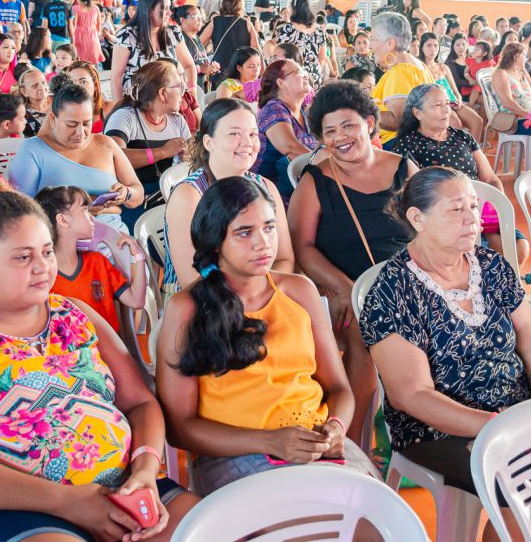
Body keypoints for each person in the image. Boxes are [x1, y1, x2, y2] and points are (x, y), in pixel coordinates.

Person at [0, 182, 197, 541]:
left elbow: (140, 402)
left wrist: (144, 470)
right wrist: (68, 502)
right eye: (23, 257)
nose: (42, 267)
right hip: (8, 506)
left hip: (119, 485)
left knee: (211, 527)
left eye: (47, 252)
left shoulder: (75, 314)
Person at [360, 167, 531, 504]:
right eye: (457, 209)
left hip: (516, 409)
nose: (473, 219)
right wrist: (500, 427)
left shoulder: (492, 267)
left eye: (473, 206)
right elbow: (412, 395)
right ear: (417, 218)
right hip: (439, 429)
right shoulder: (393, 291)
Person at [157, 176, 376, 495]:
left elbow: (339, 388)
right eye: (245, 232)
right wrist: (270, 441)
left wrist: (335, 427)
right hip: (233, 453)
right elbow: (179, 427)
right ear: (215, 241)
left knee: (374, 510)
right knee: (305, 513)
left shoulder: (299, 291)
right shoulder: (188, 308)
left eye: (270, 228)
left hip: (314, 442)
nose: (263, 243)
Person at [288, 80, 414, 443]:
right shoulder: (315, 182)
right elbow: (302, 247)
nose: (340, 137)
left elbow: (428, 227)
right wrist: (346, 288)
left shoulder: (404, 169)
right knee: (364, 329)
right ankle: (353, 441)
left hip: (406, 283)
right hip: (344, 291)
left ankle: (415, 429)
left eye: (348, 126)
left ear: (369, 123)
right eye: (330, 132)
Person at [392, 83, 529, 268]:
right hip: (447, 216)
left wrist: (496, 208)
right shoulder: (407, 145)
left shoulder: (463, 137)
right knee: (482, 255)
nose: (446, 110)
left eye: (447, 104)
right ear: (418, 113)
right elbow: (421, 194)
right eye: (437, 105)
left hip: (481, 208)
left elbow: (490, 179)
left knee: (519, 248)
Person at [165, 99, 296, 291]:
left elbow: (284, 259)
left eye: (253, 134)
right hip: (203, 300)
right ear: (209, 142)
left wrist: (261, 293)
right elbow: (192, 279)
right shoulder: (189, 195)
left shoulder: (265, 187)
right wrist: (252, 293)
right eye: (234, 134)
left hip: (261, 292)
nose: (247, 143)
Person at [8, 80, 142, 230]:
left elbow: (138, 193)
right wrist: (76, 211)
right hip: (59, 236)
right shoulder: (32, 149)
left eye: (86, 124)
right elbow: (20, 208)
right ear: (53, 119)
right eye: (71, 125)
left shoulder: (106, 144)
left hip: (115, 235)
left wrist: (126, 193)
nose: (80, 133)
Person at [35, 185, 148, 332]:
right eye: (85, 210)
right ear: (63, 220)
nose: (92, 217)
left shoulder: (98, 262)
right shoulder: (44, 277)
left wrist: (139, 256)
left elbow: (136, 301)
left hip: (109, 345)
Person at [105, 59, 192, 222]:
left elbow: (194, 159)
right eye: (179, 86)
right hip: (132, 201)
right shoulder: (125, 116)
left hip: (169, 196)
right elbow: (113, 157)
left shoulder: (177, 120)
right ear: (163, 93)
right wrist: (163, 152)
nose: (183, 92)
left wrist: (188, 155)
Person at [110, 0, 197, 97]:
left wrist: (191, 92)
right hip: (136, 102)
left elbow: (189, 66)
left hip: (170, 100)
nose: (169, 12)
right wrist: (119, 107)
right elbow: (116, 78)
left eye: (169, 8)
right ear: (149, 10)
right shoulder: (127, 36)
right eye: (165, 8)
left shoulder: (173, 33)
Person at [253, 59, 317, 199]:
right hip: (270, 193)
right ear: (281, 83)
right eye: (298, 72)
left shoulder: (304, 112)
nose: (305, 75)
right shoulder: (273, 108)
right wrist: (329, 165)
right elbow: (290, 148)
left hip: (302, 186)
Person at [367, 12, 433, 144]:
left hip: (396, 144)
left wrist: (362, 110)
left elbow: (397, 121)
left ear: (390, 43)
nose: (370, 46)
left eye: (374, 39)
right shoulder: (418, 65)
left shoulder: (399, 71)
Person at [200, 0, 258, 90]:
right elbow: (256, 51)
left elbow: (199, 44)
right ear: (240, 7)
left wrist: (203, 62)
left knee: (218, 97)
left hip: (218, 68)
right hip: (241, 70)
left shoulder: (215, 21)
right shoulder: (246, 23)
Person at [275, 0, 330, 89]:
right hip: (315, 76)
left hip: (295, 76)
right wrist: (316, 73)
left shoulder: (288, 29)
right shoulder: (319, 30)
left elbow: (279, 54)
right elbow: (322, 57)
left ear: (294, 10)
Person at [70, 0, 104, 65]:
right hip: (93, 35)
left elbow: (74, 25)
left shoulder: (75, 8)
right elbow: (99, 23)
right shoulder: (95, 8)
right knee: (92, 61)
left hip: (78, 35)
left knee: (80, 62)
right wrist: (96, 33)